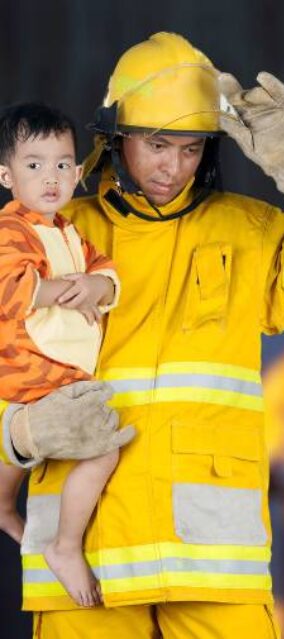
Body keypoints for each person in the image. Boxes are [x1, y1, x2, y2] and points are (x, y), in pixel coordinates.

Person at [0, 32, 284, 638]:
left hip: (211, 557)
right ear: (116, 138)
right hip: (83, 559)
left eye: (189, 149)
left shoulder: (251, 230)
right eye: (157, 145)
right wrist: (19, 434)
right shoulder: (55, 234)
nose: (172, 166)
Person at [0, 103, 128, 608]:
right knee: (103, 449)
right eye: (34, 165)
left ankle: (4, 506)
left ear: (77, 173)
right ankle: (65, 546)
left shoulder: (70, 231)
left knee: (24, 441)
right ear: (6, 174)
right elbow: (9, 289)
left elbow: (107, 271)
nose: (49, 177)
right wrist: (59, 291)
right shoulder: (12, 229)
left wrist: (96, 284)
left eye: (61, 165)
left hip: (55, 371)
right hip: (36, 366)